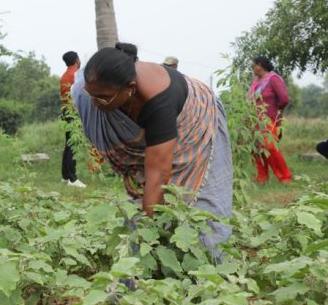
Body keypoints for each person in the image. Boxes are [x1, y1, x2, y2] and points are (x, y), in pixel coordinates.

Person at [73, 43, 233, 250]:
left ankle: (204, 262)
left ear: (129, 89)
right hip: (156, 130)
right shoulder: (94, 87)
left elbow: (158, 174)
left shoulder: (160, 101)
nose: (94, 104)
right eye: (91, 95)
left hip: (193, 122)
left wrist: (147, 235)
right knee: (146, 205)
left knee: (201, 210)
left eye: (103, 98)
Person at [249, 56, 291, 184]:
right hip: (254, 120)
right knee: (256, 149)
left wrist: (275, 111)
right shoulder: (256, 81)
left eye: (253, 65)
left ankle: (285, 177)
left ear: (260, 65)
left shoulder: (274, 79)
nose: (252, 68)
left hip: (268, 119)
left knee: (270, 147)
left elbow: (284, 98)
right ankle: (262, 177)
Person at [60, 51, 86, 188]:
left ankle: (65, 176)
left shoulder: (65, 75)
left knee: (69, 144)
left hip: (66, 111)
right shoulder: (76, 75)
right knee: (73, 145)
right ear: (77, 60)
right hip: (74, 112)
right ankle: (72, 178)